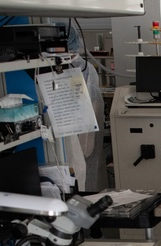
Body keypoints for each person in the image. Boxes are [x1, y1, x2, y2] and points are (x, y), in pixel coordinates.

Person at [64, 24, 108, 194]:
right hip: (76, 137)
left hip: (77, 137)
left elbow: (94, 105)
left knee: (77, 179)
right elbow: (95, 106)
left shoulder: (84, 68)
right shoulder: (84, 68)